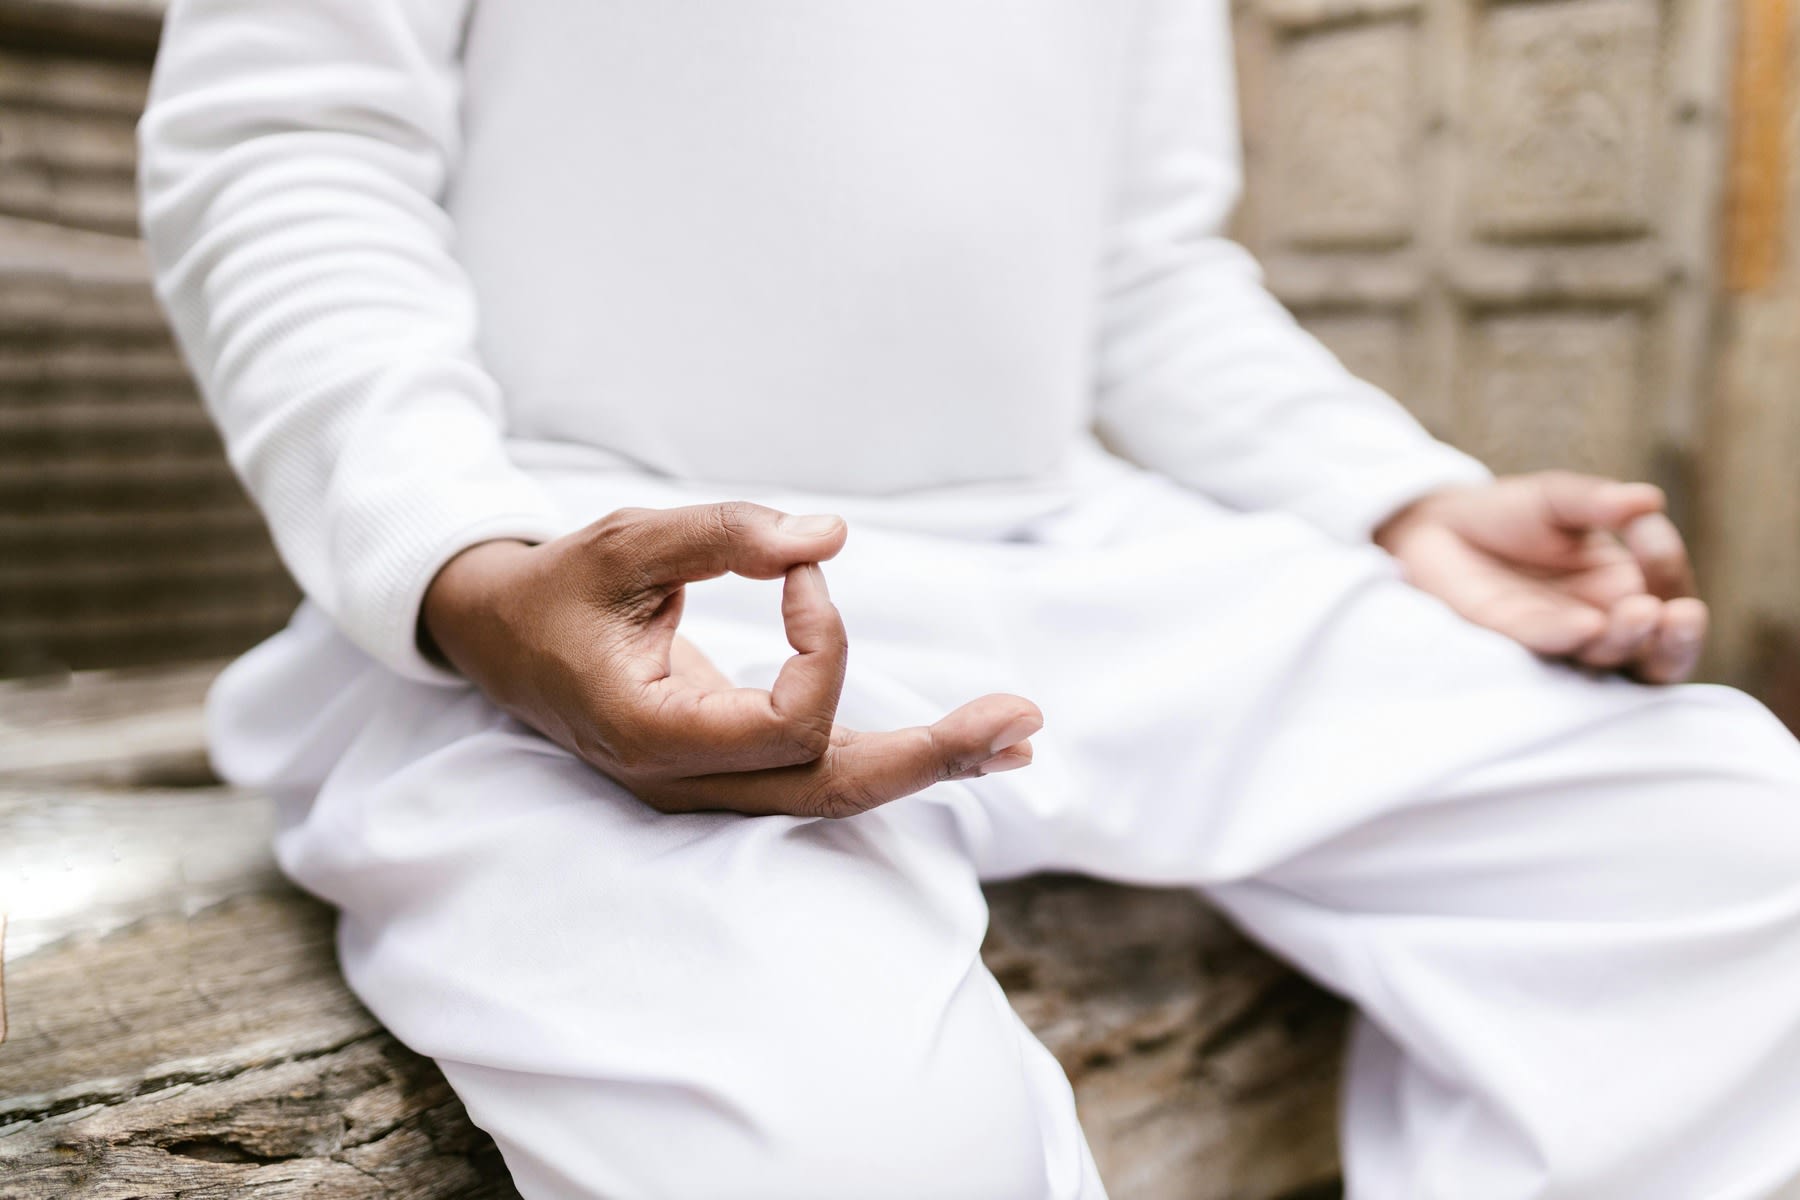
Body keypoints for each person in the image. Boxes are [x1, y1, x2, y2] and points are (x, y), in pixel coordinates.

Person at [138, 1, 1800, 1196]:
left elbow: (1146, 279)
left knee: (1731, 856)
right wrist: (457, 561)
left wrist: (1402, 498)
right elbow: (291, 149)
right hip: (594, 568)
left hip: (1087, 553)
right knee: (851, 1148)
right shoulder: (516, 566)